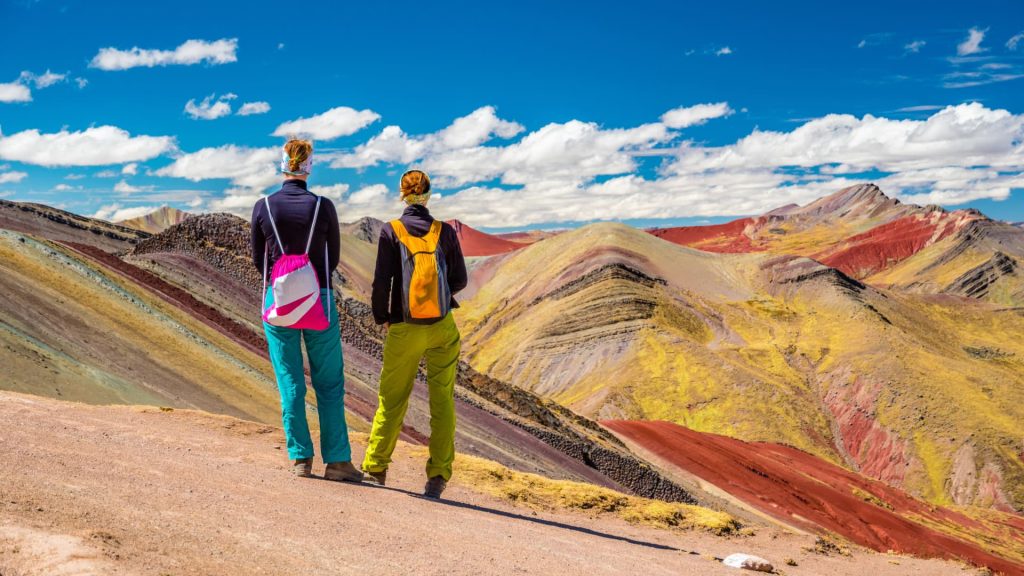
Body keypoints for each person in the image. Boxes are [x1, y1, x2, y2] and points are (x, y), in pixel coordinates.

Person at [251, 139, 362, 482]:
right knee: (328, 383)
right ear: (309, 166)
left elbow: (259, 260)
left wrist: (285, 283)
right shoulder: (323, 207)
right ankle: (338, 461)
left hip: (278, 300)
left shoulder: (264, 206)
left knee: (290, 380)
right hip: (320, 299)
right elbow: (334, 256)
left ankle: (301, 458)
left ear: (282, 165)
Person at [362, 169, 467, 499]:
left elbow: (382, 283)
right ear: (429, 194)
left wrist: (385, 318)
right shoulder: (444, 231)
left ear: (402, 194)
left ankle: (376, 468)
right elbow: (460, 280)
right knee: (442, 402)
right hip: (442, 326)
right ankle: (437, 477)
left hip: (404, 327)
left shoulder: (390, 230)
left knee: (391, 401)